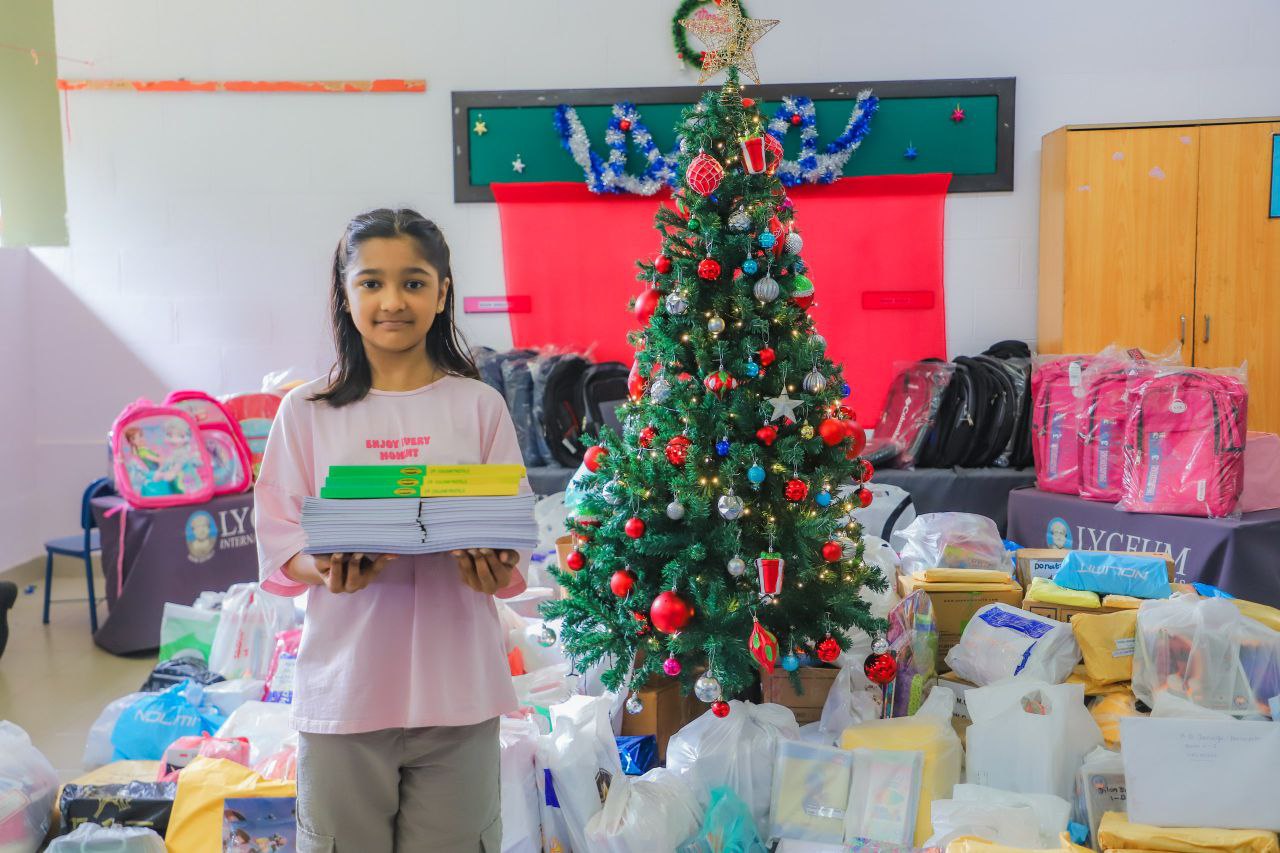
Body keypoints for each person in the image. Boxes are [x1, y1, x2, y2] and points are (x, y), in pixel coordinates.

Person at [254, 209, 527, 852]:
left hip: (460, 694)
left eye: (414, 282)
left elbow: (510, 534)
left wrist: (493, 567)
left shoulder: (479, 406)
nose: (393, 301)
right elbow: (280, 538)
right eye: (372, 282)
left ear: (442, 292)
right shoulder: (306, 411)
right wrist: (325, 568)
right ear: (345, 294)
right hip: (344, 694)